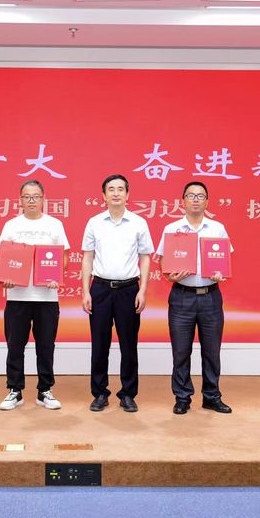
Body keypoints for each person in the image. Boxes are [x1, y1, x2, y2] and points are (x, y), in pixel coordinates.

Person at [154, 181, 233, 415]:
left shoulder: (217, 228)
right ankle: (182, 397)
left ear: (207, 201)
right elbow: (163, 261)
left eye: (200, 196)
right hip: (182, 297)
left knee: (212, 351)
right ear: (183, 201)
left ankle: (212, 396)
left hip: (210, 297)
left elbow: (225, 259)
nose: (196, 199)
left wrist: (220, 273)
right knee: (181, 352)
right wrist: (169, 274)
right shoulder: (172, 228)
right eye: (191, 195)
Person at [81, 174, 154, 413]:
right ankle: (100, 393)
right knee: (99, 344)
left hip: (129, 290)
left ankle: (128, 394)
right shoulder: (94, 223)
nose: (115, 193)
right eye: (111, 189)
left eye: (120, 189)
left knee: (129, 345)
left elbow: (145, 258)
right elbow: (87, 258)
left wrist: (143, 290)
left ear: (127, 194)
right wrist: (86, 291)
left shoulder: (138, 223)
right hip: (100, 289)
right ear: (103, 196)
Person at [0, 179, 69, 411]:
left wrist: (57, 275)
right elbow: (2, 256)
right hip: (17, 296)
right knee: (15, 346)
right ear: (20, 200)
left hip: (46, 298)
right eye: (27, 197)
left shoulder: (54, 224)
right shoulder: (11, 225)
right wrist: (5, 276)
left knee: (46, 346)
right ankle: (15, 390)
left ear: (43, 198)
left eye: (35, 196)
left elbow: (64, 257)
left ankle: (44, 390)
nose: (31, 201)